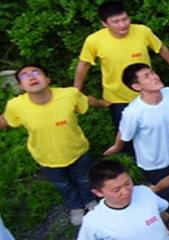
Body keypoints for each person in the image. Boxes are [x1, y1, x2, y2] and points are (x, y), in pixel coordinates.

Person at [1, 64, 106, 225]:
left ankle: (89, 200)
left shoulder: (69, 94)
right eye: (24, 76)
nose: (31, 77)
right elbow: (7, 120)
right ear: (21, 86)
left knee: (84, 179)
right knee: (63, 185)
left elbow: (88, 101)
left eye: (36, 72)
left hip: (78, 151)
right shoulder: (15, 106)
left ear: (48, 79)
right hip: (46, 157)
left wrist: (105, 103)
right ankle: (75, 206)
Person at [104, 63, 169, 236]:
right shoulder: (133, 112)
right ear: (137, 86)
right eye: (146, 76)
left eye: (152, 72)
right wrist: (117, 146)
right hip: (154, 158)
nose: (154, 77)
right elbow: (125, 133)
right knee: (164, 190)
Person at [74, 0, 169, 130]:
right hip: (117, 97)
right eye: (116, 22)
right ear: (104, 23)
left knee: (156, 128)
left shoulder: (143, 31)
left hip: (147, 91)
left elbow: (161, 48)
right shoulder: (94, 41)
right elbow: (84, 65)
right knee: (126, 132)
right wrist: (76, 90)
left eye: (125, 19)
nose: (122, 25)